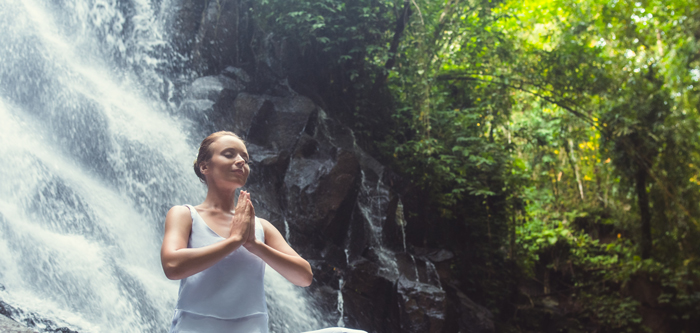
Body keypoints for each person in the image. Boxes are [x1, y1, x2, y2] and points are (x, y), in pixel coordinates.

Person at [161, 131, 365, 333]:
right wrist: (233, 242)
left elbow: (304, 276)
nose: (241, 161)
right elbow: (172, 266)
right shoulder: (185, 215)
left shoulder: (260, 227)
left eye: (245, 158)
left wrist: (255, 245)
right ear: (204, 166)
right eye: (229, 154)